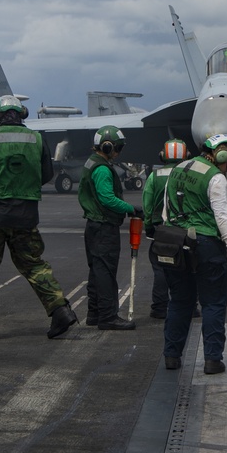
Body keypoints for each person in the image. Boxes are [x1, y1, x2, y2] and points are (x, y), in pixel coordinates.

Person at [0, 95, 78, 341]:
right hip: (26, 216)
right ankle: (61, 310)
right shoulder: (37, 139)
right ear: (21, 114)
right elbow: (46, 175)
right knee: (34, 265)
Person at [159, 134, 227, 374]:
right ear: (222, 155)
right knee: (213, 302)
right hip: (206, 245)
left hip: (175, 242)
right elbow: (222, 215)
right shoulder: (215, 177)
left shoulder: (178, 168)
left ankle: (172, 356)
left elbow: (166, 210)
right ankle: (212, 360)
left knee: (180, 301)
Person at [78, 125, 143, 330]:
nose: (119, 152)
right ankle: (108, 317)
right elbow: (107, 199)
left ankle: (94, 313)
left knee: (97, 270)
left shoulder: (92, 162)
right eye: (118, 148)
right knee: (105, 272)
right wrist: (132, 209)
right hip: (104, 227)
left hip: (94, 226)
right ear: (107, 147)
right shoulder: (103, 169)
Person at [142, 139, 188, 319]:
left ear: (163, 155)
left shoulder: (155, 176)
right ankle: (189, 307)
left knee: (160, 268)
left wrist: (148, 227)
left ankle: (159, 308)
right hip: (183, 229)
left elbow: (147, 204)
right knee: (186, 268)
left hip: (160, 229)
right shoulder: (189, 174)